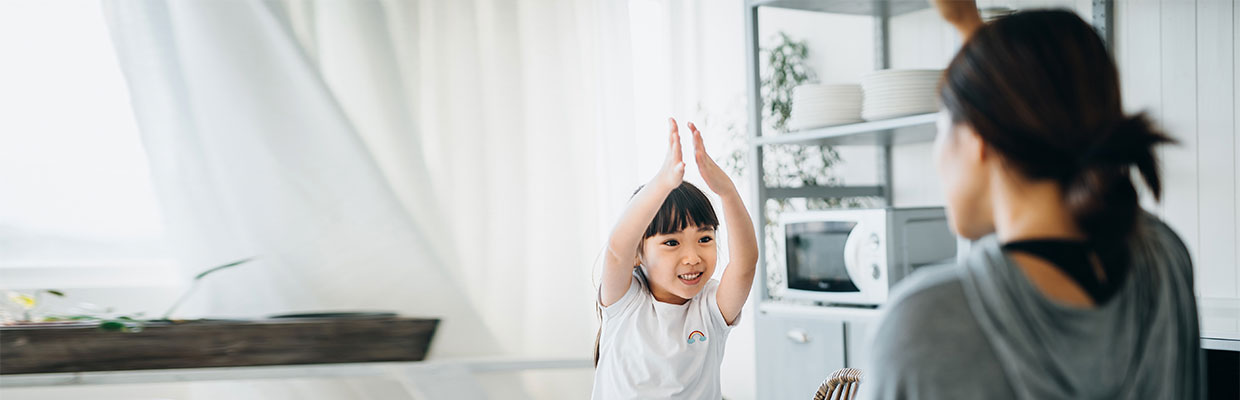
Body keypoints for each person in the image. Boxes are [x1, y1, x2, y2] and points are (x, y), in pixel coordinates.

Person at [862, 6, 1203, 400]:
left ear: (977, 139)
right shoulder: (1164, 263)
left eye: (940, 128)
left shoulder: (923, 324)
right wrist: (968, 28)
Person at [591, 118, 758, 399]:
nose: (692, 257)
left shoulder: (710, 307)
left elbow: (745, 265)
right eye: (671, 242)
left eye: (704, 239)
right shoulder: (625, 301)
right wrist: (662, 183)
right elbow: (617, 249)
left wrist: (727, 192)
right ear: (638, 254)